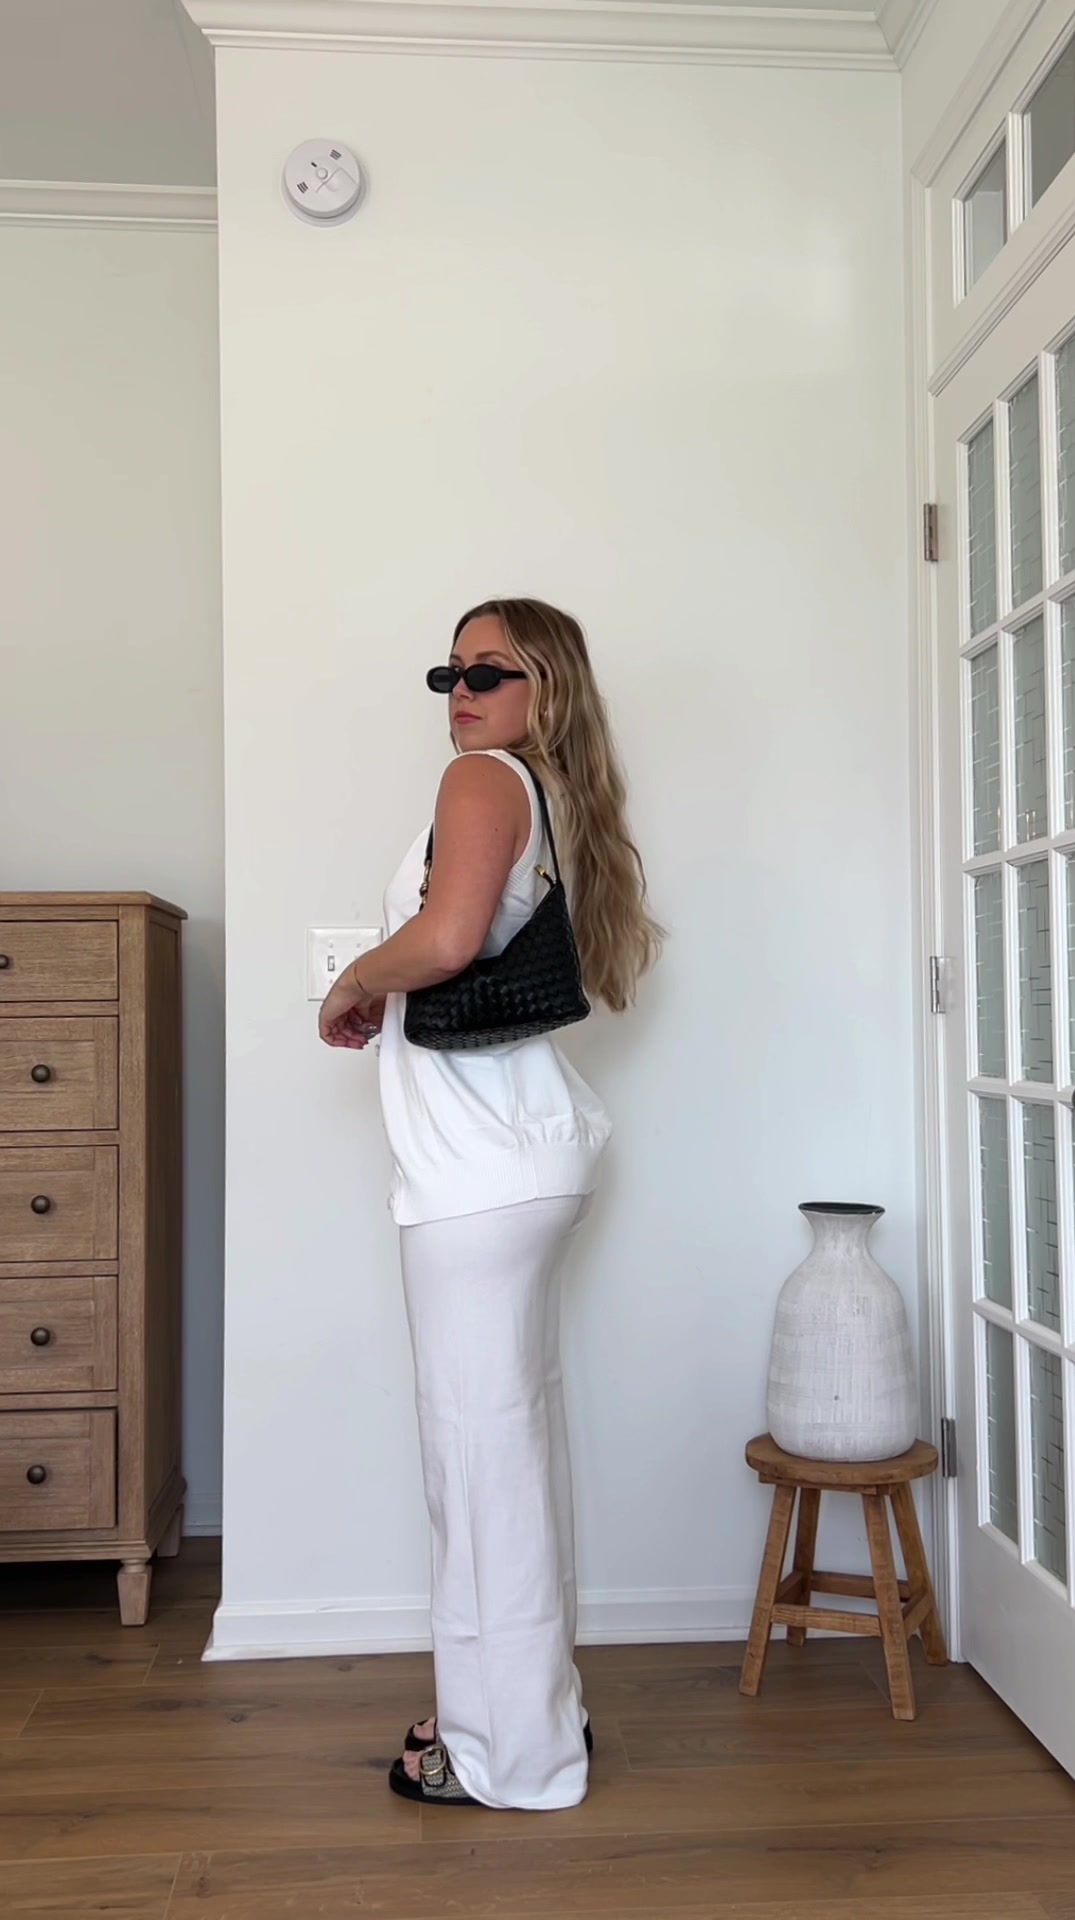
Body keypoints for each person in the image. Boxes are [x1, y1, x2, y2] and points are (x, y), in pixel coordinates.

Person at [319, 597, 661, 1810]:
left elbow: (450, 937)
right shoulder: (551, 797)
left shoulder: (483, 782)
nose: (460, 693)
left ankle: (509, 1755)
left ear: (545, 689)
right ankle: (529, 1709)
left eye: (489, 671)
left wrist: (354, 981)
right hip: (524, 1157)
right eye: (449, 673)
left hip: (476, 1172)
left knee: (476, 1471)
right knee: (507, 1455)